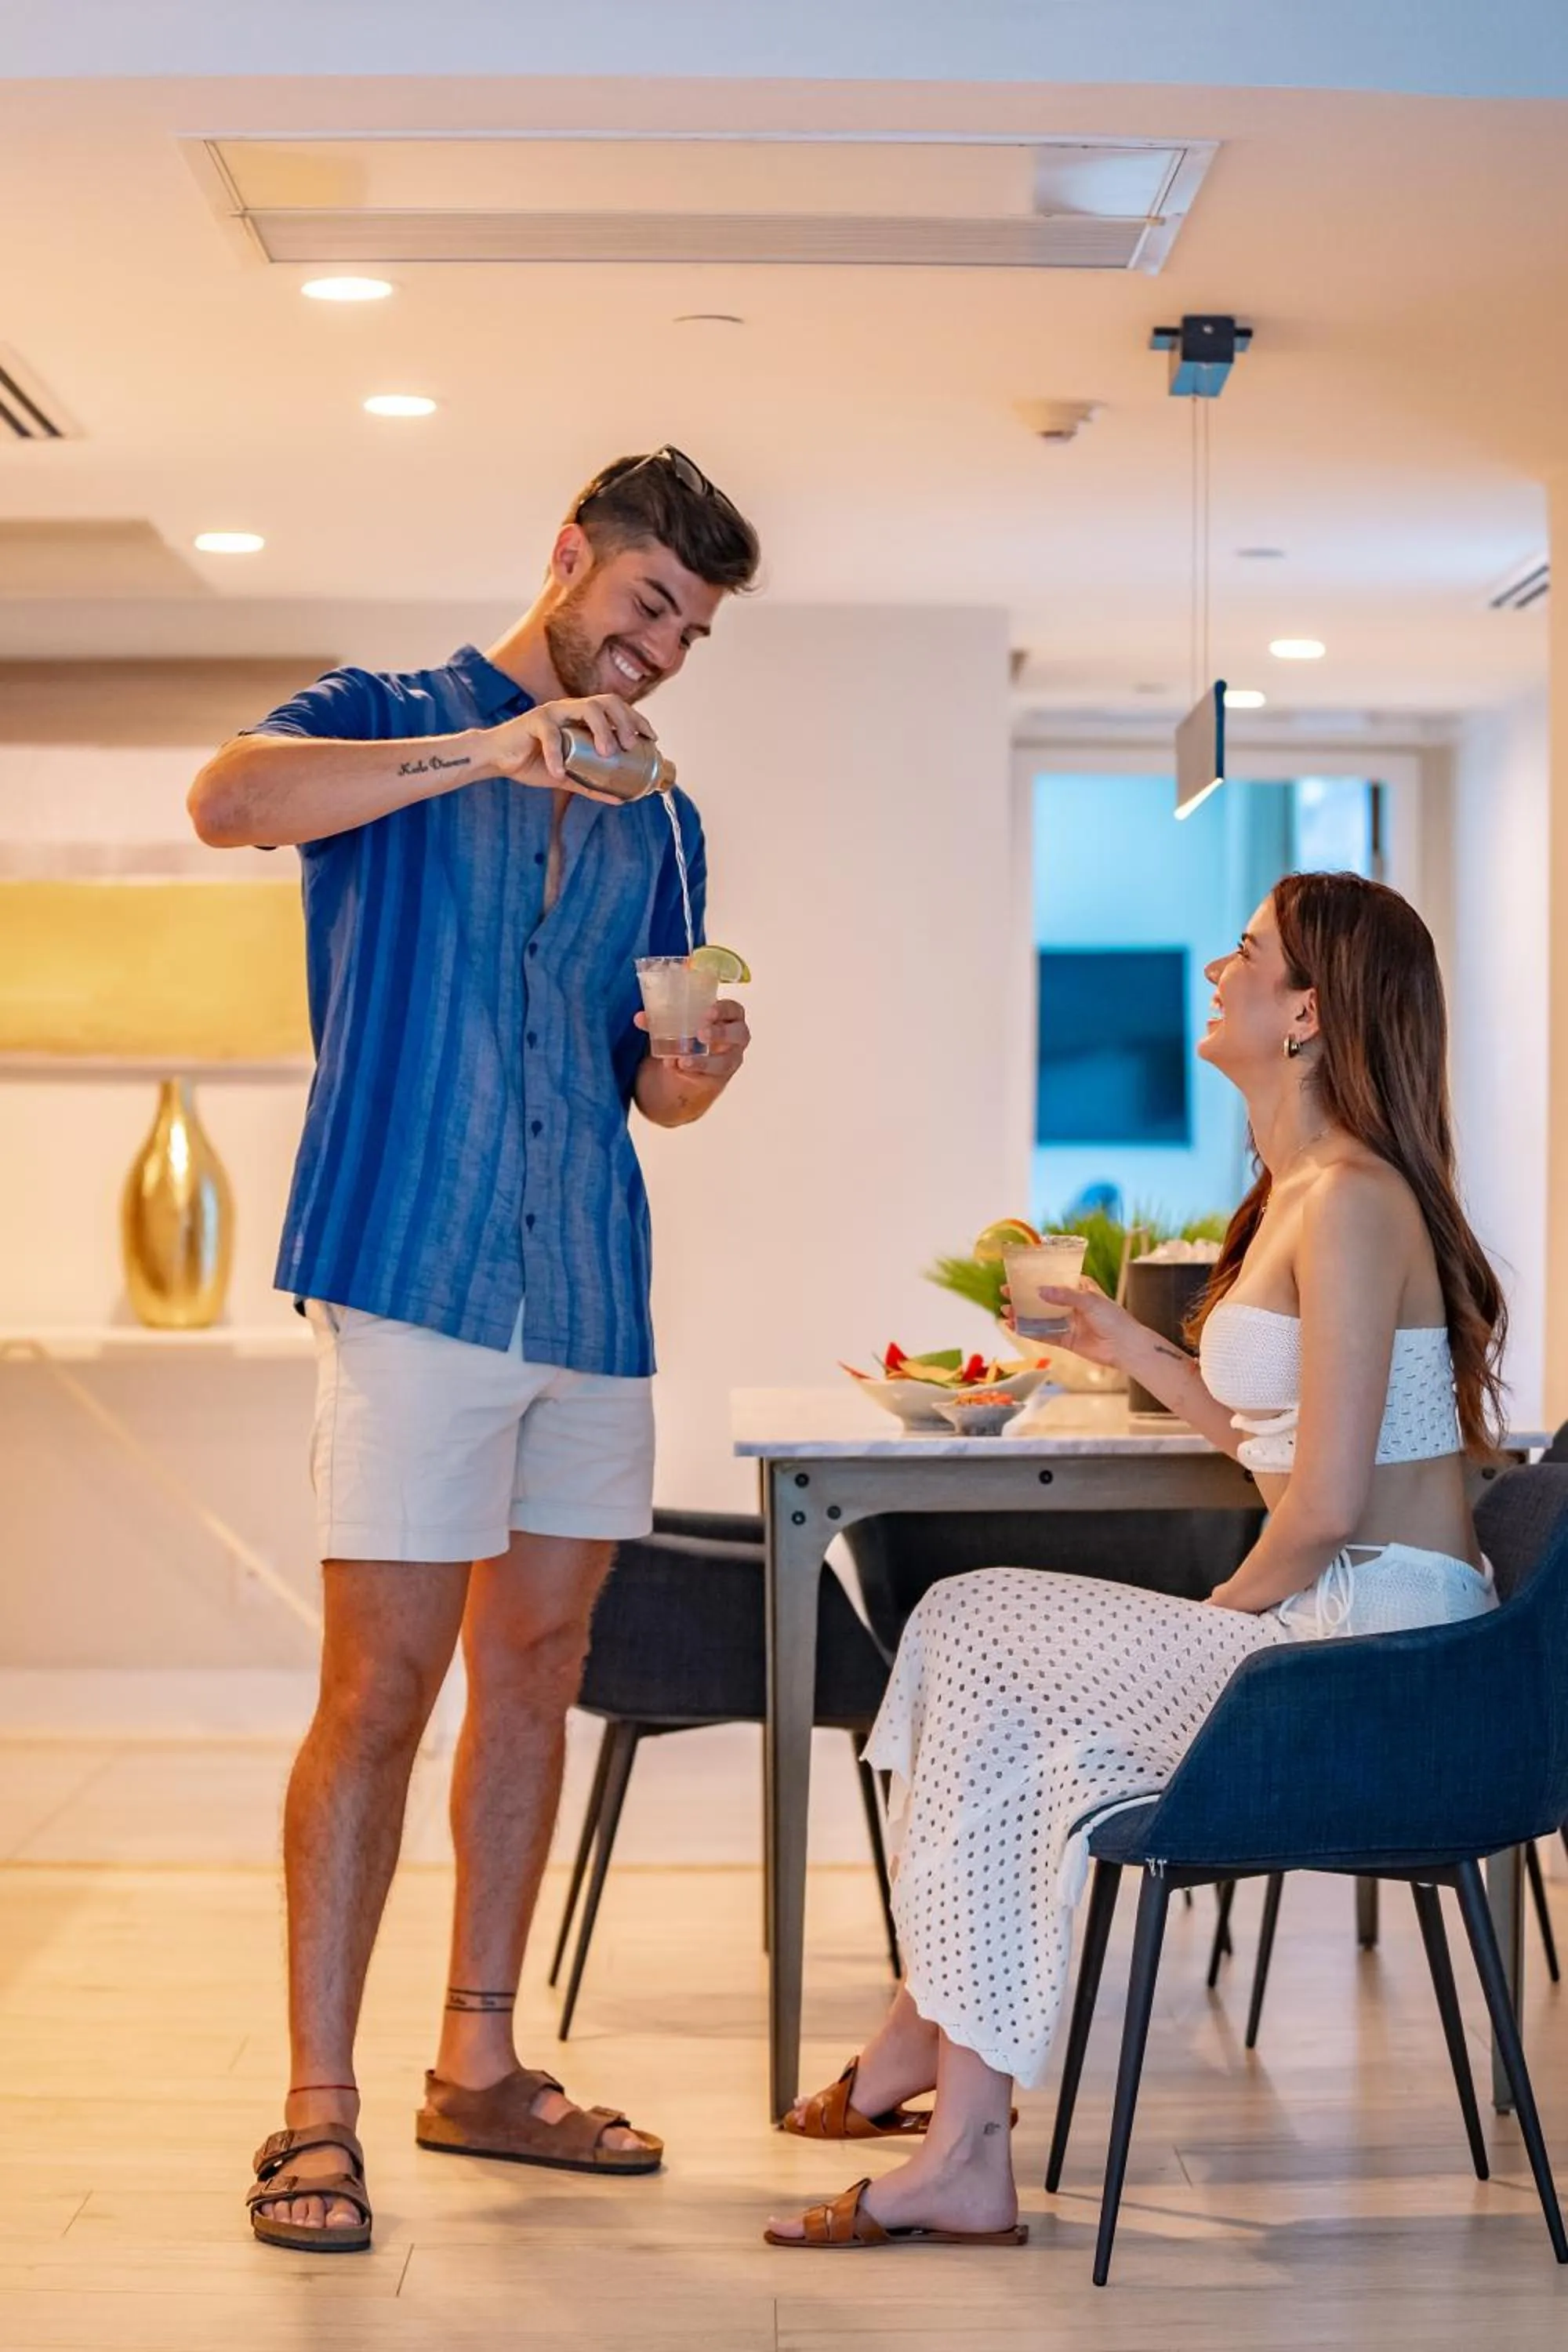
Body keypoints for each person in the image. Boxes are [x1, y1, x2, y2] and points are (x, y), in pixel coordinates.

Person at [187, 448, 761, 2254]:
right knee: (378, 1694)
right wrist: (497, 748)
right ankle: (314, 2111)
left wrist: (686, 1077)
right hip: (408, 1270)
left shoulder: (664, 821)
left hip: (587, 1291)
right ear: (572, 558)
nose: (662, 651)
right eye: (649, 603)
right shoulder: (394, 716)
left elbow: (642, 1080)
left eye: (693, 629)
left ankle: (482, 2070)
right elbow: (229, 800)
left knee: (538, 1671)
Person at [766, 870, 1505, 2252]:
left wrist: (1221, 1615)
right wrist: (1122, 1344)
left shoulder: (1350, 1199)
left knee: (975, 1628)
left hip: (1380, 1654)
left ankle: (941, 2070)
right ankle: (954, 2106)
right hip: (1342, 1632)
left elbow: (1330, 1502)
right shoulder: (1302, 1193)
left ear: (1308, 1015)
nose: (1216, 971)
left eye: (1248, 955)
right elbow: (1284, 1447)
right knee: (981, 1649)